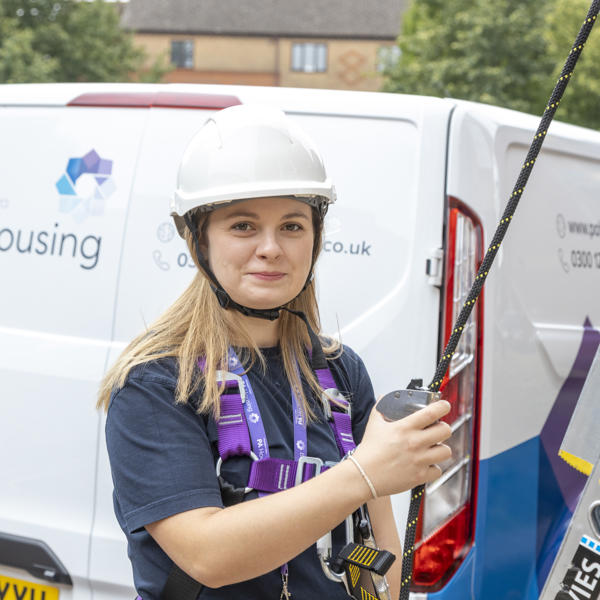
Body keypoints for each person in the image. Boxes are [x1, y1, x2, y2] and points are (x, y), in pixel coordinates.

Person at [98, 105, 452, 600]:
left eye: (292, 226)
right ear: (197, 239)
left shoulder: (340, 372)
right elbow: (208, 556)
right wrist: (366, 473)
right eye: (243, 226)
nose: (271, 247)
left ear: (315, 237)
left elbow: (381, 567)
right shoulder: (156, 383)